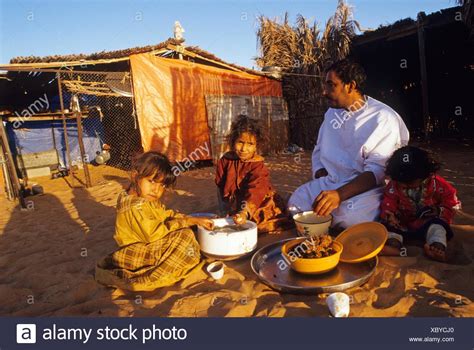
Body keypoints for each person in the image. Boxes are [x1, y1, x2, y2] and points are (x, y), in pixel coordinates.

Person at [288, 59, 409, 229]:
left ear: (350, 86)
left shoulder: (382, 117)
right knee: (297, 202)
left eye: (331, 85)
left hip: (366, 189)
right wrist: (324, 180)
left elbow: (377, 171)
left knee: (352, 219)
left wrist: (339, 195)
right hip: (332, 182)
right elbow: (319, 150)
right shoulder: (331, 114)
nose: (324, 92)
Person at [95, 151, 214, 291]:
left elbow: (163, 214)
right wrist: (186, 222)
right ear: (135, 176)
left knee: (189, 228)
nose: (156, 189)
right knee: (186, 235)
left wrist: (187, 218)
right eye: (151, 181)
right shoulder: (135, 207)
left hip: (146, 244)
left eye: (162, 185)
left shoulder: (142, 198)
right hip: (138, 251)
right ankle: (164, 272)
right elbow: (153, 234)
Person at [380, 146, 461, 262]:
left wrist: (439, 210)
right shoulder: (393, 186)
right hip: (402, 223)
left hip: (427, 222)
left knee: (437, 229)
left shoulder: (438, 184)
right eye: (402, 183)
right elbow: (389, 201)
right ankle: (394, 247)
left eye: (410, 183)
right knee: (389, 230)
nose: (405, 186)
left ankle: (436, 247)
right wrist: (390, 215)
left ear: (426, 175)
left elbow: (451, 202)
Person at [215, 115, 290, 233]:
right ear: (233, 141)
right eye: (240, 142)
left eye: (250, 144)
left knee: (258, 223)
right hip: (236, 201)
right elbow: (220, 184)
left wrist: (245, 211)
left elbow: (257, 189)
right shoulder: (226, 160)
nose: (244, 148)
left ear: (256, 146)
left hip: (256, 201)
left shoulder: (257, 165)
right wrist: (225, 208)